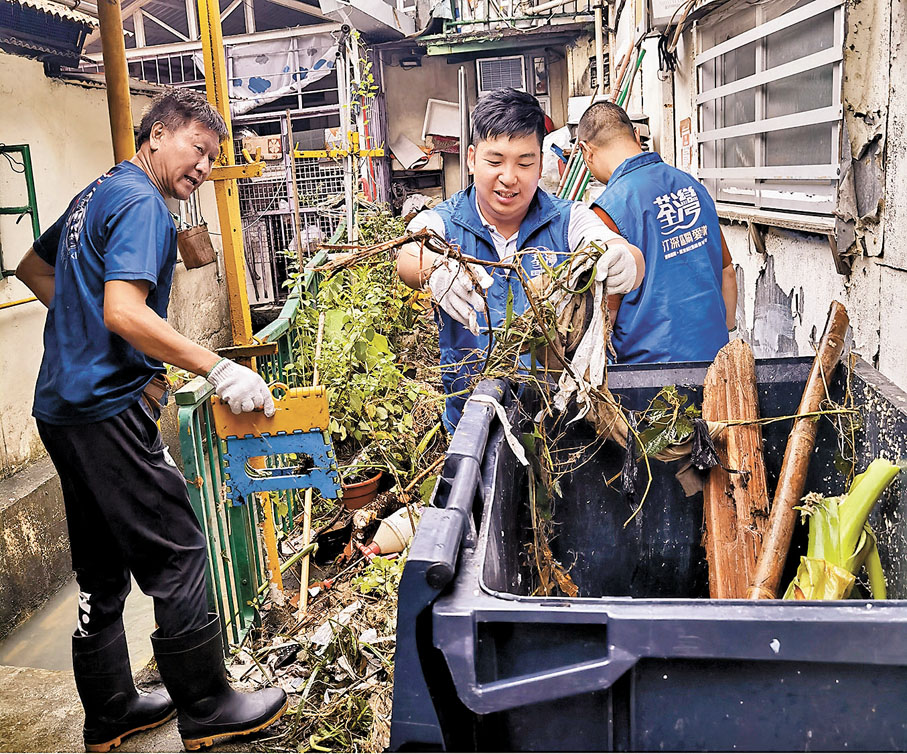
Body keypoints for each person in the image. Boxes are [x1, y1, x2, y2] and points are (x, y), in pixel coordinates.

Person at [15, 88, 287, 753]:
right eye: (197, 149)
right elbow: (126, 313)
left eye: (212, 157)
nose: (202, 166)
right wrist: (219, 369)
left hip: (60, 408)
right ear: (158, 135)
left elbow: (32, 268)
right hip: (107, 410)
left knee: (101, 567)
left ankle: (111, 710)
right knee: (181, 553)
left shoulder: (98, 192)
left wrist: (81, 328)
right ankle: (208, 707)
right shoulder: (143, 205)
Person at [396, 88, 644, 432]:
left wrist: (625, 259)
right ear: (471, 158)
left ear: (540, 164)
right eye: (495, 161)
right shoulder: (445, 222)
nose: (509, 177)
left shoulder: (568, 220)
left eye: (525, 163)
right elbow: (409, 253)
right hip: (471, 425)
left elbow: (613, 245)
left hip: (557, 425)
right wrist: (435, 268)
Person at [576, 101, 738, 364]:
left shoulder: (606, 212)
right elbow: (727, 272)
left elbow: (607, 314)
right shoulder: (692, 187)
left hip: (648, 376)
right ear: (637, 137)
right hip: (714, 361)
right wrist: (724, 333)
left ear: (586, 151)